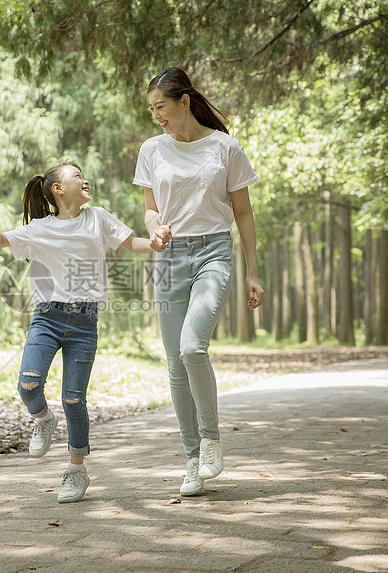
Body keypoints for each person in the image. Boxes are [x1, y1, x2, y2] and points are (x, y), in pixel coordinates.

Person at [0, 162, 159, 503]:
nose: (85, 179)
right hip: (47, 317)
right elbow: (0, 241)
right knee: (28, 385)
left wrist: (155, 243)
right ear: (58, 189)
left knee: (74, 399)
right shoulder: (39, 228)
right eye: (77, 175)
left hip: (85, 322)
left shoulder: (98, 217)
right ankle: (43, 420)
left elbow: (131, 243)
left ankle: (76, 471)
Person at [133, 68, 265, 497]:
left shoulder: (225, 147)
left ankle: (211, 440)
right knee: (174, 364)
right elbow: (151, 209)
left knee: (193, 347)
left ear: (184, 101)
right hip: (169, 256)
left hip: (212, 251)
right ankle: (191, 459)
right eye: (151, 109)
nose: (157, 116)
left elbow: (243, 213)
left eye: (161, 107)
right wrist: (154, 228)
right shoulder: (152, 149)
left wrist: (253, 271)